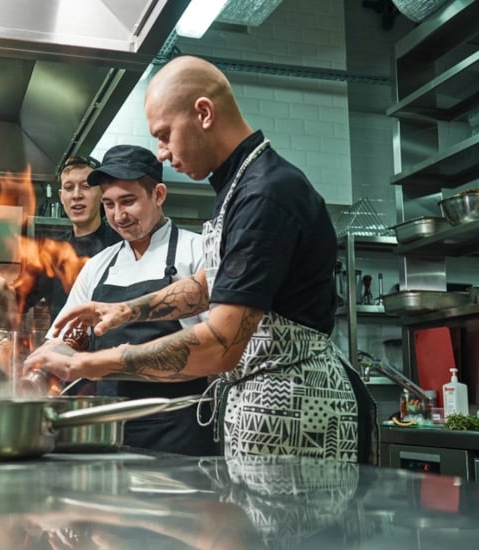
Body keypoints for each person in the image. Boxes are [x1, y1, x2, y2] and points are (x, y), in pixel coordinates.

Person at [25, 55, 378, 464]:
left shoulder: (265, 194)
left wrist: (91, 364)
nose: (161, 153)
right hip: (261, 402)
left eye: (164, 135)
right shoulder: (240, 185)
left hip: (296, 410)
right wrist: (126, 310)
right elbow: (216, 282)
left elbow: (220, 345)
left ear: (204, 113)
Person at [26, 144, 218, 456]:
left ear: (158, 195)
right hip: (109, 428)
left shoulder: (197, 253)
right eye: (109, 204)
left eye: (128, 201)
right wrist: (39, 366)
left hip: (179, 428)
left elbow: (216, 347)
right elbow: (66, 339)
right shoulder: (99, 265)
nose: (118, 216)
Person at [0, 155, 120, 324]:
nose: (76, 195)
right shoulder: (51, 252)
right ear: (61, 196)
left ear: (102, 193)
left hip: (111, 341)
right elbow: (17, 301)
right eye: (69, 188)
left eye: (85, 186)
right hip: (61, 340)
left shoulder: (121, 245)